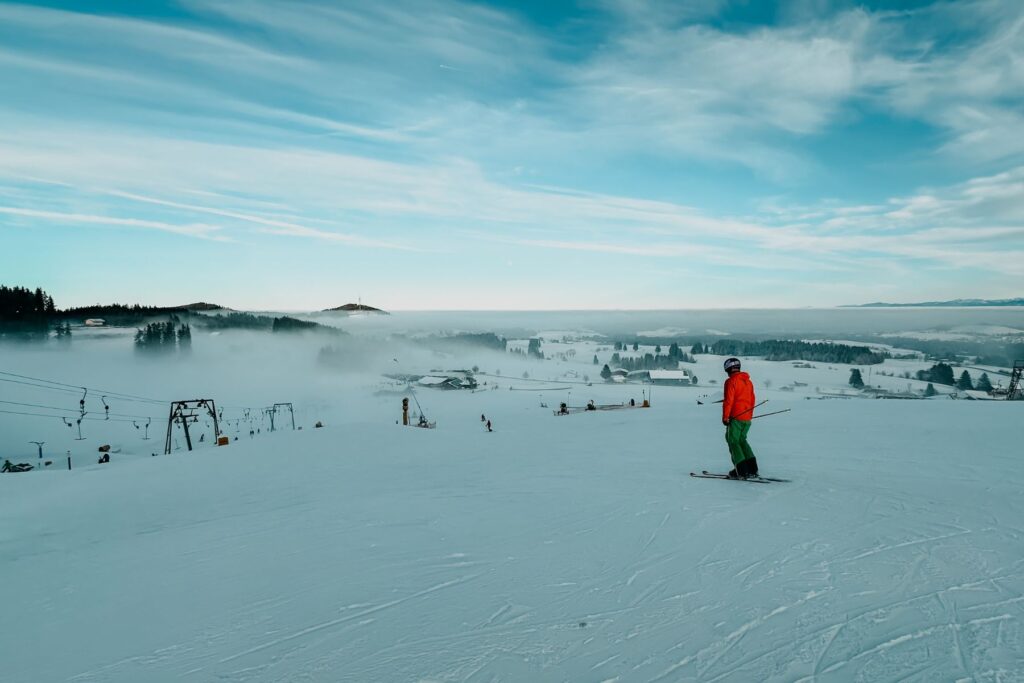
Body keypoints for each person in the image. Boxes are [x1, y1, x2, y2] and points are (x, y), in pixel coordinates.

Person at [722, 357, 759, 478]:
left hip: (736, 417)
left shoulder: (731, 381)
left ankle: (741, 470)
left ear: (728, 369)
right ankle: (752, 469)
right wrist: (749, 415)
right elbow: (752, 399)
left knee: (733, 441)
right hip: (747, 417)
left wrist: (726, 417)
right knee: (742, 440)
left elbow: (729, 401)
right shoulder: (748, 381)